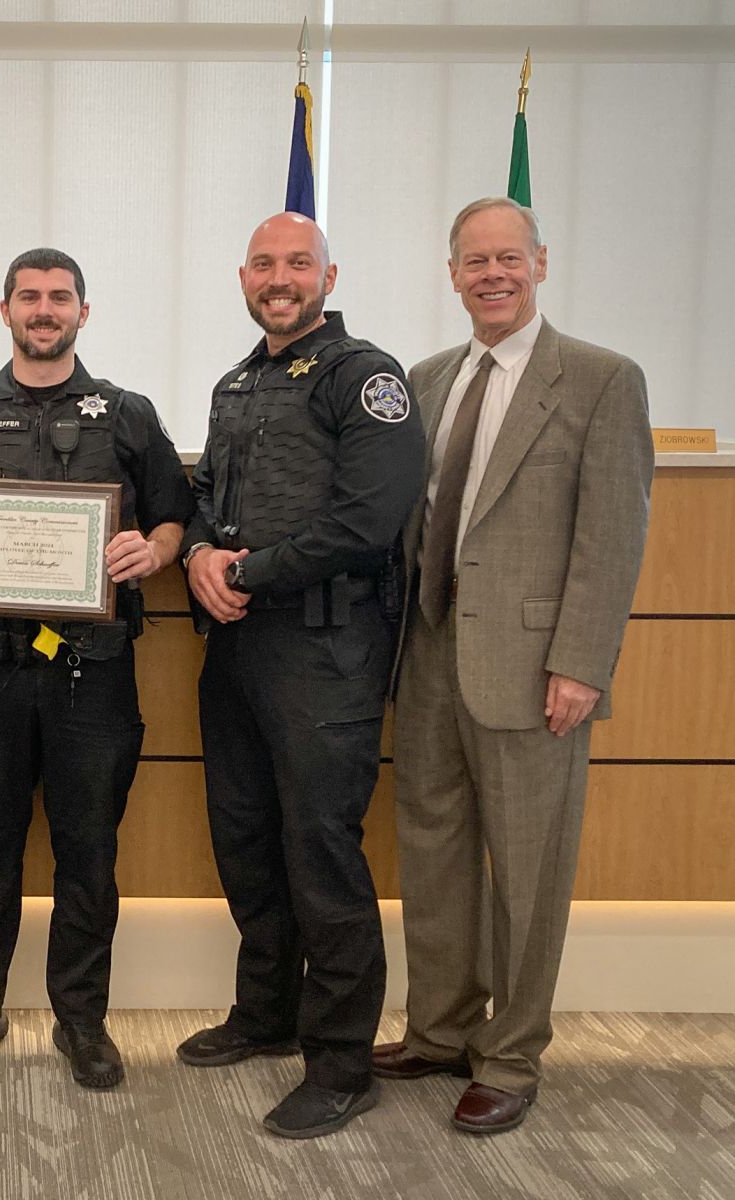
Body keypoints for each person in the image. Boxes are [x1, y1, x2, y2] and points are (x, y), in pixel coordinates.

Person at [373, 196, 653, 1134]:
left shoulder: (601, 380)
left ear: (540, 263)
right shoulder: (426, 377)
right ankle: (442, 1027)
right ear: (450, 274)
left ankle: (511, 1052)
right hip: (429, 653)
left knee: (527, 869)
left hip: (536, 669)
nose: (490, 275)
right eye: (472, 262)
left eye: (507, 259)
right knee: (435, 851)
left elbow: (611, 536)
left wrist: (580, 663)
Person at [0, 248, 193, 1089]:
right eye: (28, 297)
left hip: (90, 669)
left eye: (58, 297)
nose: (43, 309)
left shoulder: (129, 415)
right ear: (5, 311)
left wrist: (152, 549)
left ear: (81, 313)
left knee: (87, 847)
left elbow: (173, 519)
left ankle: (82, 1020)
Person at [178, 212, 425, 1139]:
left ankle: (341, 1064)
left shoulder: (365, 378)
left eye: (297, 264)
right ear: (243, 275)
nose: (278, 279)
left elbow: (369, 518)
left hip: (327, 653)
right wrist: (200, 555)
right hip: (237, 648)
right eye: (263, 264)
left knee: (320, 853)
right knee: (245, 840)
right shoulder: (235, 381)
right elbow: (204, 500)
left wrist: (241, 571)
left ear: (327, 274)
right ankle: (266, 1014)